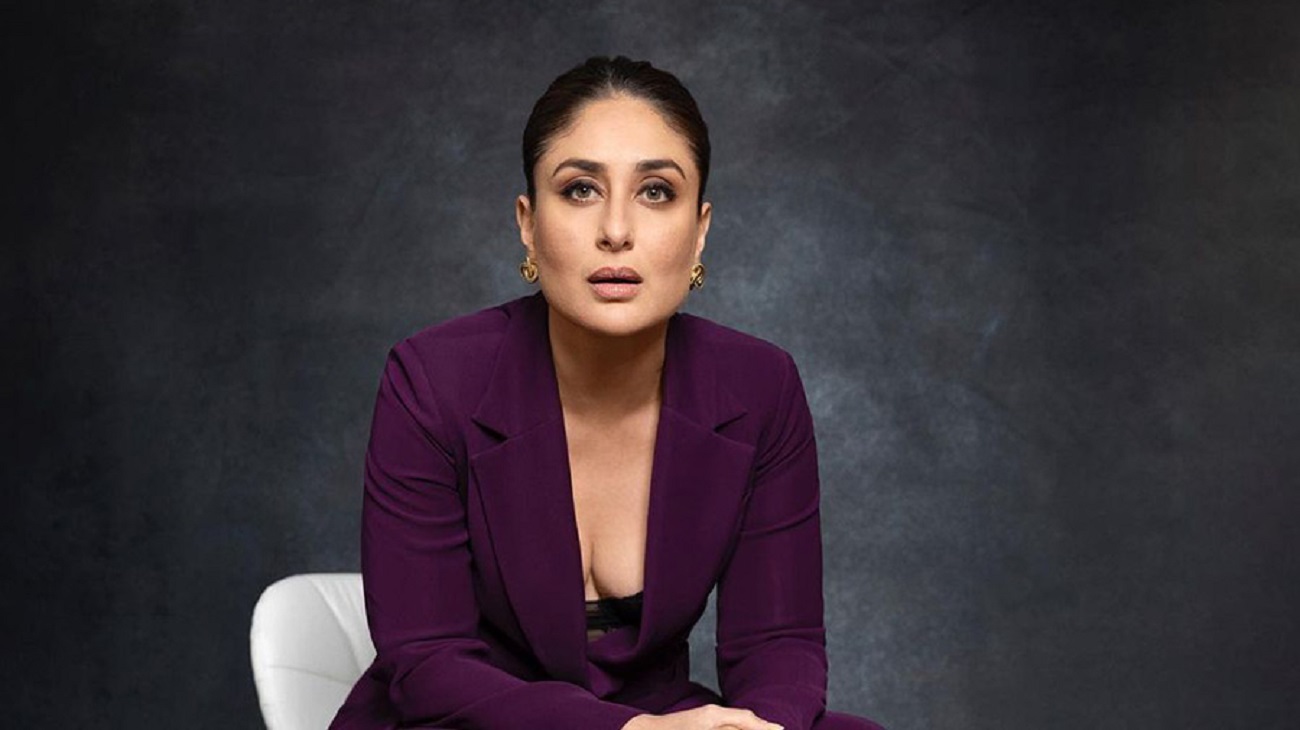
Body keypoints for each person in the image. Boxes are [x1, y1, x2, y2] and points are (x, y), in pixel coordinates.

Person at [329, 56, 886, 730]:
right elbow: (427, 662)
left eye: (655, 191)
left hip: (661, 719)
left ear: (700, 228)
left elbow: (778, 643)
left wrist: (758, 727)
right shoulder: (432, 380)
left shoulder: (760, 387)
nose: (616, 230)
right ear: (528, 223)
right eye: (580, 189)